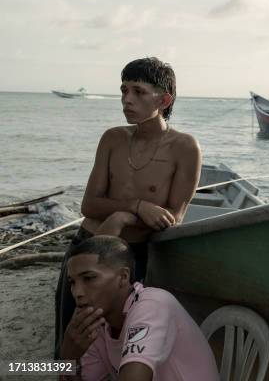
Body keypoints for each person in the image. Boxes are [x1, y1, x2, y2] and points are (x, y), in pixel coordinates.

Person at [55, 57, 202, 358]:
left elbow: (172, 218)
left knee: (117, 340)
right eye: (123, 90)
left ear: (164, 99)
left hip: (133, 258)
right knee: (69, 334)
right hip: (86, 247)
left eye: (137, 91)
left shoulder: (185, 148)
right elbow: (89, 204)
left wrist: (124, 219)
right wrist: (132, 208)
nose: (126, 99)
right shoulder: (112, 139)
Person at [59, 235, 219, 381]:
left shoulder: (151, 306)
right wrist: (68, 360)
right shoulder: (98, 322)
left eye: (89, 278)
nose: (77, 292)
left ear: (123, 277)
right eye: (72, 282)